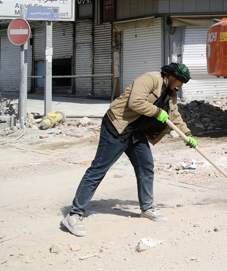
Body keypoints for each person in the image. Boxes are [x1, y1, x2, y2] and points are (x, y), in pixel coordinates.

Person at [60, 63, 197, 237]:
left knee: (146, 167)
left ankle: (147, 208)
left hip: (136, 131)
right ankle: (74, 215)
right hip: (117, 127)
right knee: (98, 169)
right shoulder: (150, 79)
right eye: (180, 82)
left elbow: (174, 114)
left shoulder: (171, 93)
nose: (181, 86)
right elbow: (135, 102)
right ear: (171, 77)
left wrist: (187, 134)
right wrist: (157, 112)